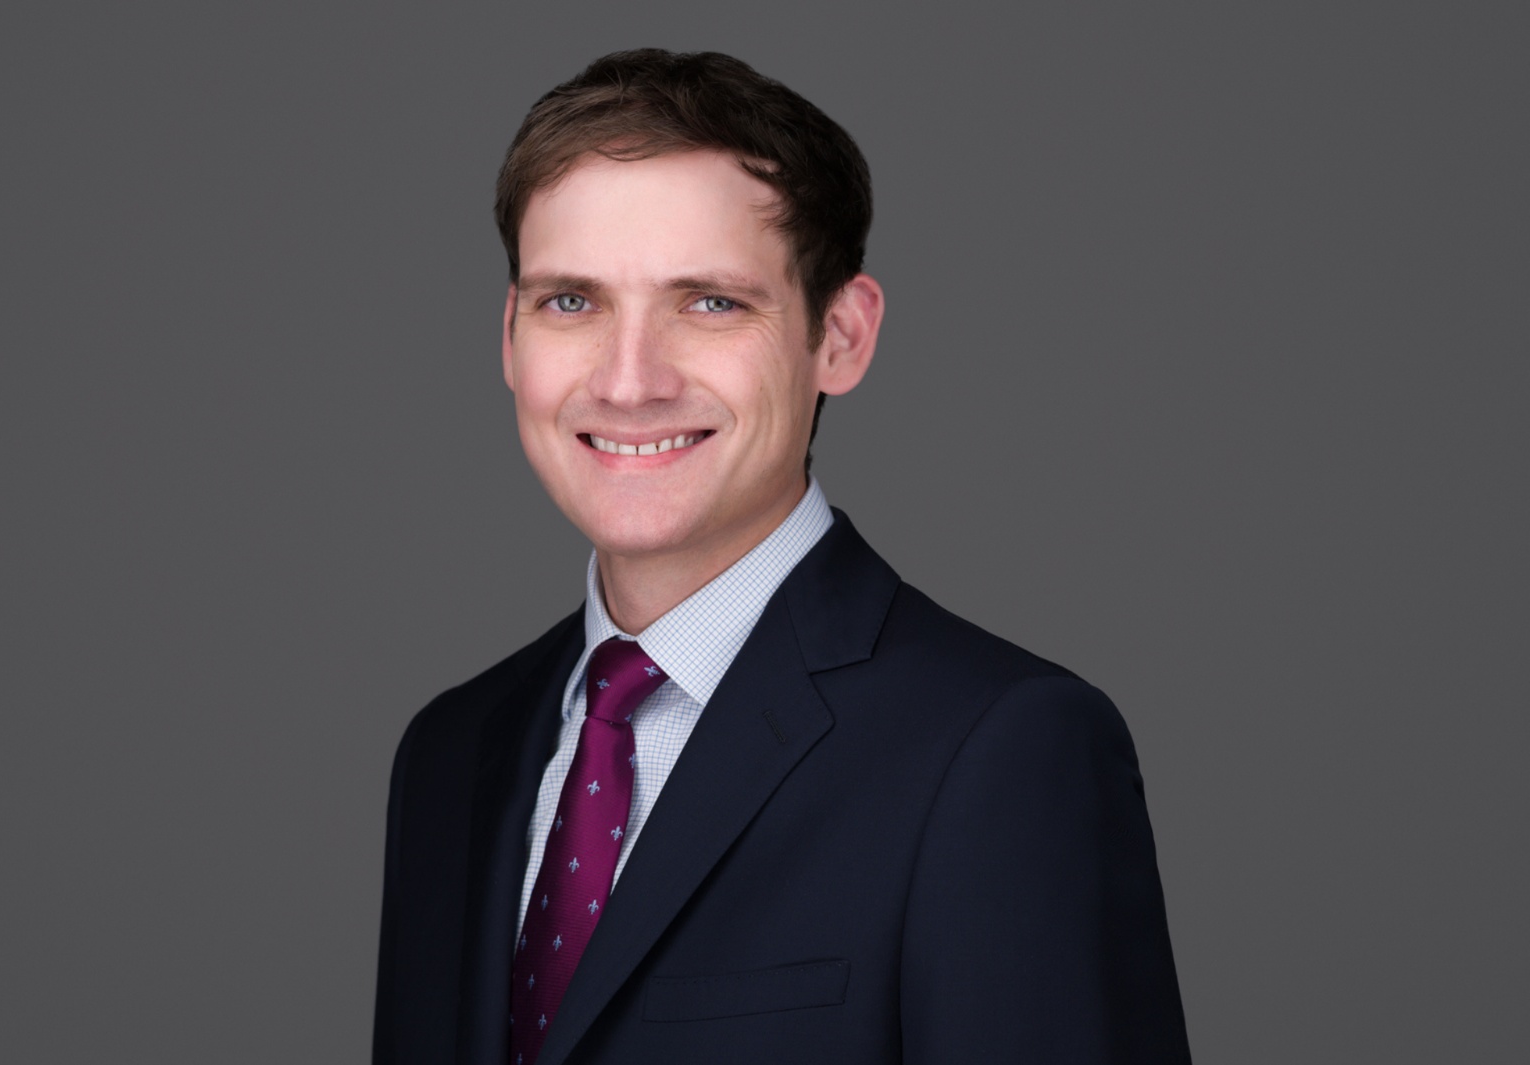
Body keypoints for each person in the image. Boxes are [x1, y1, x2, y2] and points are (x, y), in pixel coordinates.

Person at [373, 49, 1190, 1065]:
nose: (628, 381)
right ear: (509, 336)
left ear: (839, 336)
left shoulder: (1002, 753)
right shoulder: (451, 754)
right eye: (571, 301)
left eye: (710, 302)